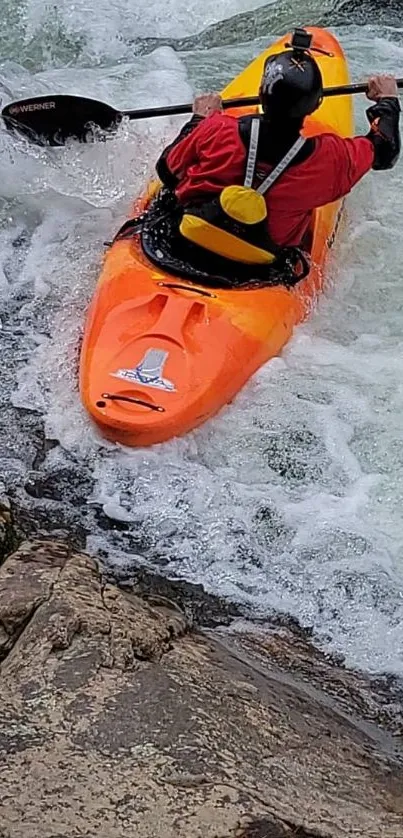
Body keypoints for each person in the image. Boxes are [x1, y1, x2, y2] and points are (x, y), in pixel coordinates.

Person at [152, 29, 400, 280]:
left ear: (261, 96)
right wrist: (387, 100)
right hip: (259, 266)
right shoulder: (331, 160)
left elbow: (167, 171)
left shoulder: (217, 128)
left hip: (184, 241)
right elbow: (384, 150)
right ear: (316, 105)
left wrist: (198, 119)